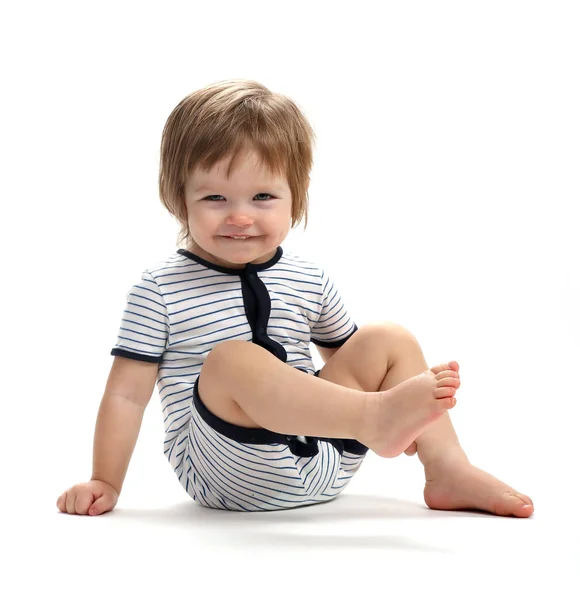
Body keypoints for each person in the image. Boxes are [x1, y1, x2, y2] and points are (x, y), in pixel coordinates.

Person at [56, 79, 534, 517]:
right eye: (215, 199)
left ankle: (447, 469)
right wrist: (105, 480)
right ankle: (377, 418)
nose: (240, 216)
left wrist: (392, 389)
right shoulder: (159, 289)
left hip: (325, 457)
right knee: (231, 361)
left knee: (387, 338)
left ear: (296, 199)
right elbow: (125, 393)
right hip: (230, 469)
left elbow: (348, 360)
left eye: (263, 196)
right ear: (179, 200)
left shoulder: (308, 277)